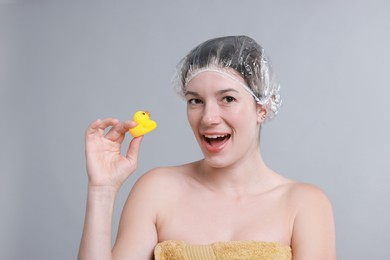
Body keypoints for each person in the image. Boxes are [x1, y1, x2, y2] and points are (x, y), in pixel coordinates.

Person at [78, 35, 336, 260]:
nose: (208, 117)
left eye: (228, 99)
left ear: (262, 108)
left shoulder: (304, 204)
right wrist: (102, 191)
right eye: (195, 100)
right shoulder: (157, 190)